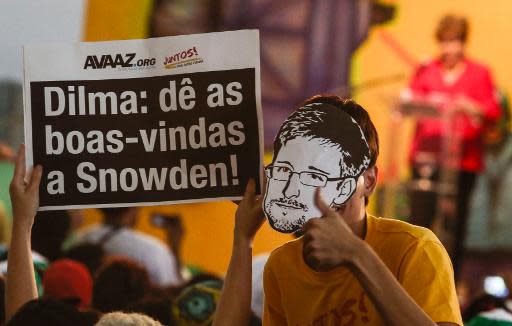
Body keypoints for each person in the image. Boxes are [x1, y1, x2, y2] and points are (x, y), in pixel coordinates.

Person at [214, 95, 462, 325]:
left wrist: (356, 255)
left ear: (369, 181)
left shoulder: (415, 248)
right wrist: (243, 239)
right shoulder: (282, 266)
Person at [403, 14, 501, 276]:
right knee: (419, 222)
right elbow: (407, 102)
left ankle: (448, 285)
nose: (449, 48)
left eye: (455, 41)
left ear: (463, 42)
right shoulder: (426, 70)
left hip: (462, 161)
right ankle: (413, 280)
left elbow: (493, 112)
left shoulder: (479, 73)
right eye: (445, 42)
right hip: (427, 159)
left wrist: (470, 106)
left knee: (455, 226)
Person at [69, 207, 182, 287]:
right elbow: (171, 290)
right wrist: (175, 248)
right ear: (134, 209)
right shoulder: (153, 250)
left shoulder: (77, 240)